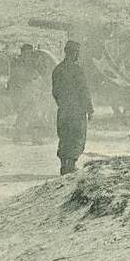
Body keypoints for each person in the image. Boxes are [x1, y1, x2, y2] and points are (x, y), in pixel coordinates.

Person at [51, 40, 93, 175]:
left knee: (64, 136)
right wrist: (89, 108)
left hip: (63, 110)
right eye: (77, 53)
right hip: (77, 110)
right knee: (77, 136)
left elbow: (55, 92)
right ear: (73, 52)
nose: (78, 55)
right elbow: (84, 91)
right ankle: (71, 165)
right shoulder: (77, 70)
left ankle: (63, 166)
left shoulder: (57, 69)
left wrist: (62, 104)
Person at [8, 43, 42, 143]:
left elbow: (35, 75)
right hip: (20, 92)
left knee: (26, 115)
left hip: (28, 91)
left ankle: (19, 137)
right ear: (23, 52)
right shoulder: (17, 63)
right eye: (27, 53)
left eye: (31, 53)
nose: (29, 55)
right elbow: (17, 77)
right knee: (28, 114)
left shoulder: (30, 63)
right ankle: (34, 138)